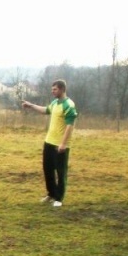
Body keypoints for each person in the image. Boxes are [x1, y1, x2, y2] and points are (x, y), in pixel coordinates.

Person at [22, 79, 78, 207]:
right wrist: (31, 105)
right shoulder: (55, 103)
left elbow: (70, 126)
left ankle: (59, 198)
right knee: (47, 169)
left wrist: (63, 143)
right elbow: (45, 110)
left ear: (62, 89)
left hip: (60, 144)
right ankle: (51, 193)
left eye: (55, 89)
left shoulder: (69, 105)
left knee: (60, 171)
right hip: (49, 142)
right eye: (52, 89)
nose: (52, 91)